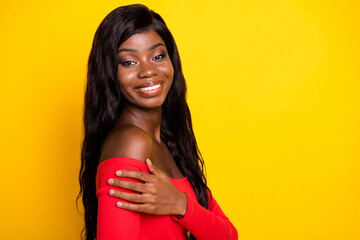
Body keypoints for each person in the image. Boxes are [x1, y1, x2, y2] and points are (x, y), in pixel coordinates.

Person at [78, 4, 238, 240]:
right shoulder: (130, 143)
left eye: (158, 56)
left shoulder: (170, 143)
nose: (148, 71)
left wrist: (180, 204)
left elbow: (228, 236)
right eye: (129, 62)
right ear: (109, 72)